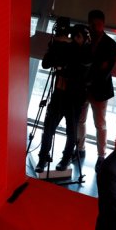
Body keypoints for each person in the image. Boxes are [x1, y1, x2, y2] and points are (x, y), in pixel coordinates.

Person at [35, 23, 92, 173]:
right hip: (59, 93)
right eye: (73, 36)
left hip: (75, 98)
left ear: (86, 38)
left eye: (78, 36)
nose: (74, 39)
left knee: (71, 131)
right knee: (48, 127)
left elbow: (78, 73)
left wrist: (64, 66)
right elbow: (46, 64)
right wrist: (54, 45)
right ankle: (42, 158)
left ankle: (66, 159)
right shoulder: (66, 48)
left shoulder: (88, 53)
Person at [75, 9, 116, 172]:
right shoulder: (84, 40)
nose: (94, 27)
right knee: (80, 120)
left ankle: (102, 155)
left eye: (98, 24)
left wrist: (89, 79)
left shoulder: (111, 44)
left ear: (103, 24)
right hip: (83, 88)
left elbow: (106, 71)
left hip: (99, 90)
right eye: (92, 24)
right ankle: (80, 148)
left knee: (100, 124)